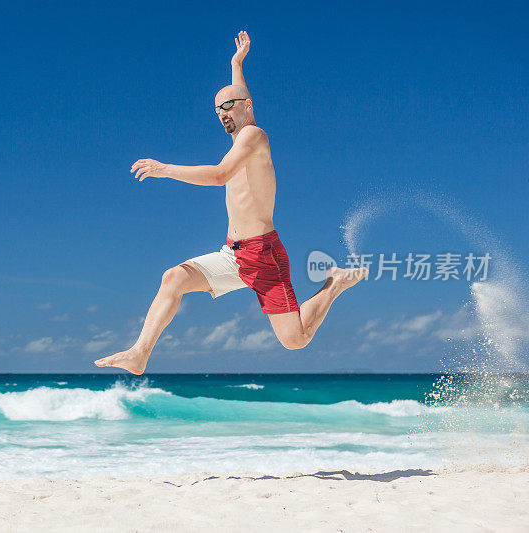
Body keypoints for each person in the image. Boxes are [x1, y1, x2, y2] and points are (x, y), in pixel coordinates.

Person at [94, 31, 368, 375]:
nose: (222, 113)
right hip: (233, 254)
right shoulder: (241, 136)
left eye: (229, 106)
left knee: (294, 339)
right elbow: (240, 100)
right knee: (173, 278)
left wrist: (166, 169)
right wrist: (236, 63)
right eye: (216, 109)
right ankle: (140, 352)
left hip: (263, 255)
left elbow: (220, 175)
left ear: (247, 107)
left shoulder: (254, 137)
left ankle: (334, 283)